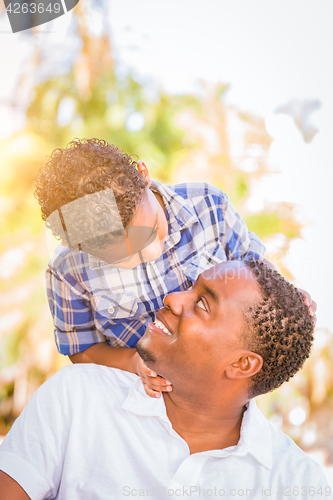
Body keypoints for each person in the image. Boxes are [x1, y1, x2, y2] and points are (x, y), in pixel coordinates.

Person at [0, 260, 327, 500]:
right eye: (190, 287)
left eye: (201, 304)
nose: (172, 298)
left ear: (242, 364)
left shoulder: (298, 484)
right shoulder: (76, 396)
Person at [34, 138, 316, 397]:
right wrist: (132, 362)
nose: (151, 252)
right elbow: (81, 350)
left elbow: (253, 270)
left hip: (211, 392)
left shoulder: (209, 205)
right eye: (122, 257)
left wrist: (287, 300)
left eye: (152, 230)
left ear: (144, 175)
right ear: (80, 246)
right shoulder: (67, 270)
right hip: (133, 395)